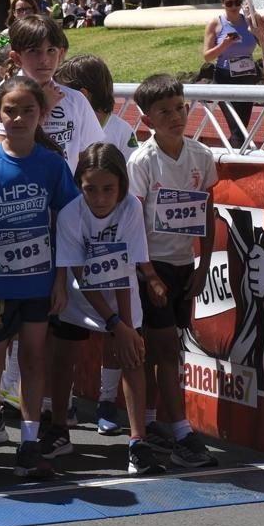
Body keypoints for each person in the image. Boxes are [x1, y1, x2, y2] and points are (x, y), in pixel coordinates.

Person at [0, 76, 77, 479]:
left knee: (33, 359)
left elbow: (65, 224)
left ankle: (28, 443)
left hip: (38, 285)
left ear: (42, 114)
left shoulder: (52, 165)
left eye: (28, 110)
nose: (19, 117)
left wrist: (61, 280)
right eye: (11, 110)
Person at [51, 143, 162, 477]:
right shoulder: (71, 214)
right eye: (91, 189)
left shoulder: (129, 208)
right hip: (81, 295)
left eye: (108, 189)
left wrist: (125, 327)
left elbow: (126, 265)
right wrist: (115, 322)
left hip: (122, 292)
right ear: (79, 186)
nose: (100, 198)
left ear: (122, 186)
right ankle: (58, 428)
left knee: (133, 359)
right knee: (63, 357)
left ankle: (137, 441)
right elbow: (83, 274)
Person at [128, 74, 218, 468]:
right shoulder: (142, 161)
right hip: (152, 266)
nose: (175, 116)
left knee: (166, 349)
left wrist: (203, 263)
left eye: (179, 108)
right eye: (163, 111)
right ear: (146, 119)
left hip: (184, 264)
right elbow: (131, 223)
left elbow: (208, 210)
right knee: (165, 350)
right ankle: (181, 431)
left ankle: (151, 425)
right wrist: (149, 274)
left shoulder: (200, 156)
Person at [0, 16, 103, 167]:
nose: (44, 59)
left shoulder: (75, 99)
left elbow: (90, 155)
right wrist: (42, 108)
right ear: (17, 58)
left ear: (61, 54)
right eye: (34, 51)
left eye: (51, 50)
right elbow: (7, 156)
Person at [202, 0, 264, 146]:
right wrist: (224, 45)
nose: (234, 7)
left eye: (237, 2)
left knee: (242, 126)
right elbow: (207, 57)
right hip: (225, 78)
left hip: (247, 77)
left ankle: (234, 158)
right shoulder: (216, 24)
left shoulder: (250, 21)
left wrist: (258, 29)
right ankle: (237, 162)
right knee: (236, 127)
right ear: (222, 3)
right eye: (229, 3)